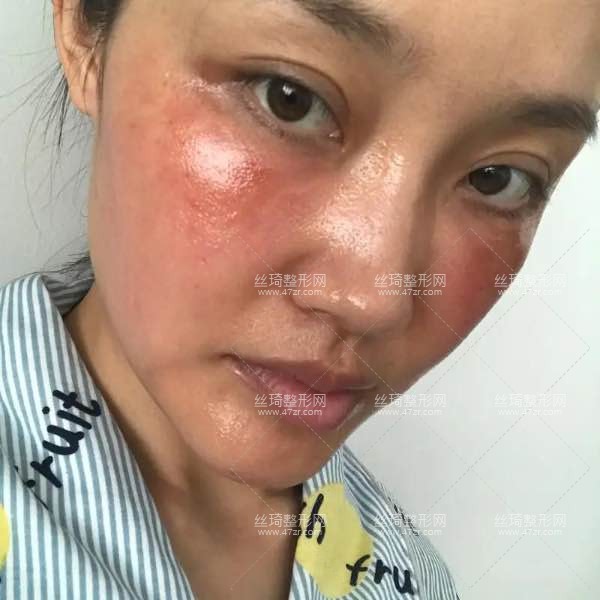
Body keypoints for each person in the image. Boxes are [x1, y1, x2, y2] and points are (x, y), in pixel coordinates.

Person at [1, 0, 599, 598]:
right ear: (82, 28)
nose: (375, 299)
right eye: (289, 97)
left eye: (499, 179)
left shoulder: (411, 576)